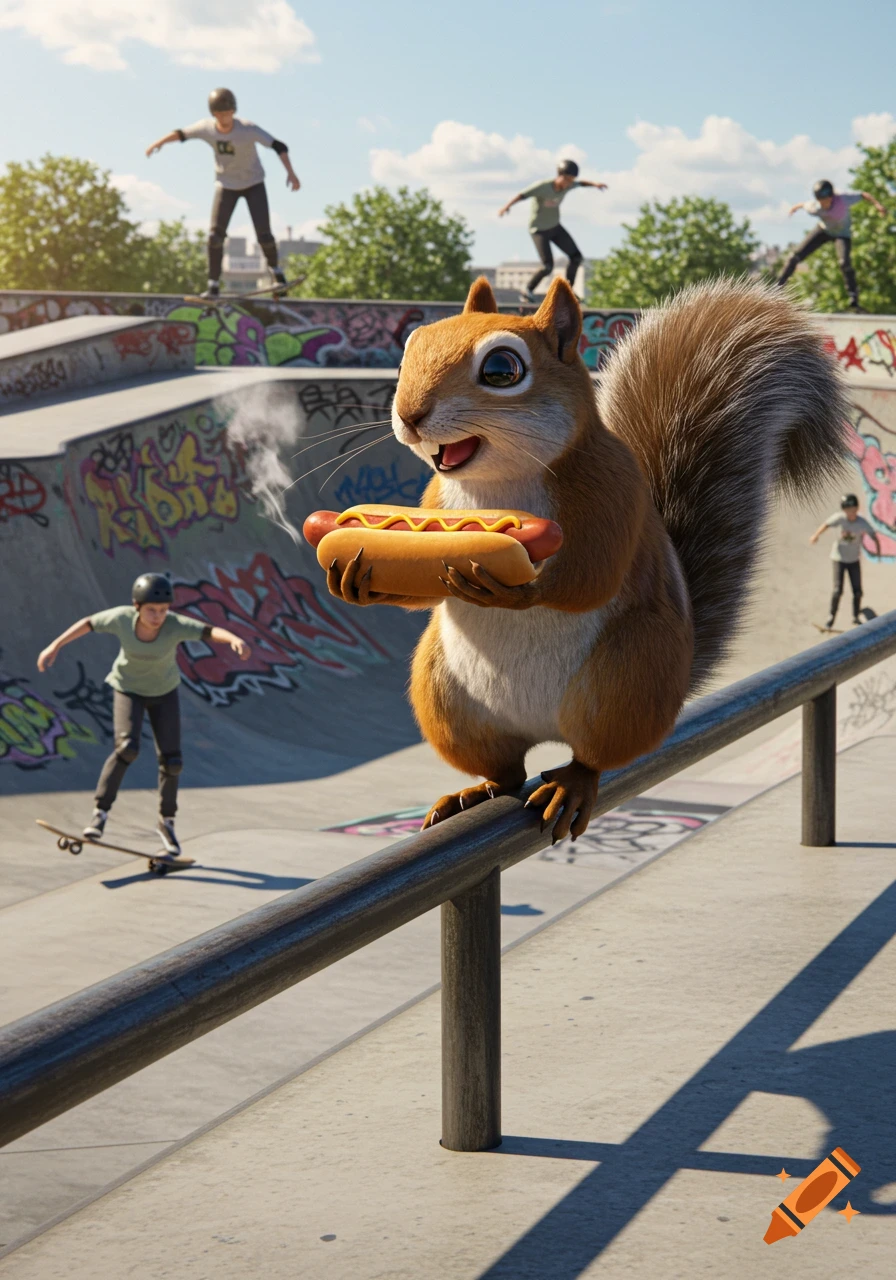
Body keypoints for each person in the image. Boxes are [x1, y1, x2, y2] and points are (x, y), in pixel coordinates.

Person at [36, 573, 251, 855]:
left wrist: (234, 639)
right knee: (126, 748)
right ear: (137, 606)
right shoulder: (122, 618)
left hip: (164, 693)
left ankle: (167, 822)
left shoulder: (174, 625)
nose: (158, 616)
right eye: (152, 610)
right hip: (128, 690)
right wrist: (55, 646)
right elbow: (88, 623)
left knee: (172, 761)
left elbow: (208, 631)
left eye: (163, 610)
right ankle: (99, 815)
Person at [146, 88, 301, 300]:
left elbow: (279, 145)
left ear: (233, 111)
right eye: (219, 115)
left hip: (254, 183)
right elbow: (182, 134)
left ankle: (277, 274)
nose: (224, 119)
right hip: (225, 186)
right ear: (213, 115)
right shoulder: (206, 128)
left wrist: (291, 173)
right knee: (214, 236)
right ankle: (213, 284)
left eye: (227, 114)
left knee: (263, 233)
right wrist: (158, 143)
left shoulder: (247, 129)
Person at [498, 160, 607, 302]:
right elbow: (522, 195)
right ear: (559, 175)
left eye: (571, 181)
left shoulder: (569, 186)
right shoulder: (542, 187)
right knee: (548, 266)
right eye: (566, 180)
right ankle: (528, 290)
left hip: (555, 227)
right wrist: (506, 207)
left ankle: (568, 290)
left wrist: (595, 184)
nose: (568, 184)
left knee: (576, 257)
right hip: (538, 230)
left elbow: (581, 183)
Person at [776, 179, 887, 312]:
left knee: (844, 262)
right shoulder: (814, 207)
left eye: (826, 201)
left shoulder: (843, 199)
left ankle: (854, 301)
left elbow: (864, 194)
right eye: (821, 202)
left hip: (842, 235)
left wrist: (878, 205)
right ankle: (778, 289)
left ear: (831, 197)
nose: (824, 205)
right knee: (795, 256)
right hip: (823, 231)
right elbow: (802, 205)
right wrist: (793, 208)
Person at [809, 493, 880, 629]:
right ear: (844, 511)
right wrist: (815, 536)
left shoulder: (861, 523)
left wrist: (877, 550)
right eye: (848, 512)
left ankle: (855, 616)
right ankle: (831, 616)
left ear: (857, 509)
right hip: (839, 559)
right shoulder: (840, 518)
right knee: (837, 590)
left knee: (857, 591)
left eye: (853, 511)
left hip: (854, 560)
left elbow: (873, 535)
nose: (850, 514)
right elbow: (826, 524)